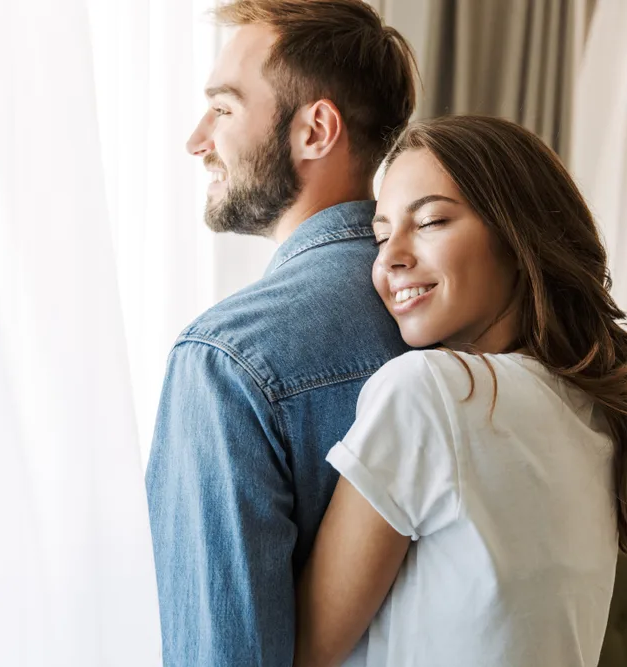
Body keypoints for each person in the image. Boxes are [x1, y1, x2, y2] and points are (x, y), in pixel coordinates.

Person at [292, 115, 627, 667]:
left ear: (516, 236)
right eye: (380, 235)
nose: (390, 256)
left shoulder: (427, 392)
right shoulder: (594, 409)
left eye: (430, 222)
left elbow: (303, 649)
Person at [144, 1, 418, 665]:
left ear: (315, 129)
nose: (197, 138)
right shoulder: (460, 315)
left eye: (225, 107)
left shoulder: (226, 359)